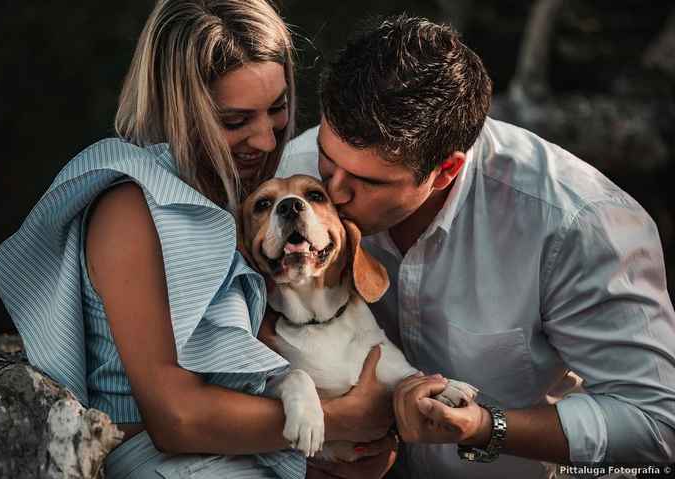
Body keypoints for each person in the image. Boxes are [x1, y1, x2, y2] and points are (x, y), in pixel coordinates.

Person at [0, 2, 391, 478]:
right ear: (179, 109)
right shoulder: (132, 209)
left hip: (246, 452)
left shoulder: (245, 202)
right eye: (234, 120)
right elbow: (174, 418)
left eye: (277, 109)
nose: (266, 140)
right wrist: (345, 420)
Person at [277, 15, 675, 479]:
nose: (334, 195)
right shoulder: (292, 181)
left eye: (367, 181)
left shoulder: (577, 225)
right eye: (328, 159)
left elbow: (657, 421)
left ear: (446, 170)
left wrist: (487, 428)